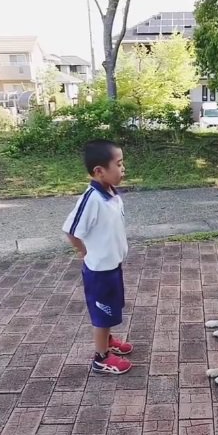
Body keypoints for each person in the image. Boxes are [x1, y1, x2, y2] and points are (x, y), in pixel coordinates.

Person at [62, 139, 133, 374]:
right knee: (102, 315)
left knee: (111, 309)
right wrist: (84, 252)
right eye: (119, 164)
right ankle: (101, 357)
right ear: (99, 171)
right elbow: (71, 231)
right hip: (99, 272)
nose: (123, 169)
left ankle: (108, 341)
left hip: (113, 267)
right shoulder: (91, 198)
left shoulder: (111, 193)